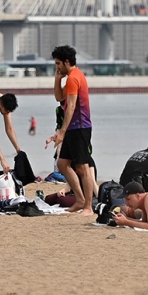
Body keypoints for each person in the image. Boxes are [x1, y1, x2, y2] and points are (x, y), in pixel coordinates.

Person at [49, 45, 95, 214]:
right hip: (72, 128)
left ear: (67, 62)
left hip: (80, 127)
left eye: (58, 63)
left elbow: (72, 106)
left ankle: (88, 206)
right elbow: (59, 98)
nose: (57, 66)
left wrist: (61, 131)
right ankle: (80, 200)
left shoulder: (74, 77)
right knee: (62, 163)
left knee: (83, 168)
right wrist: (57, 78)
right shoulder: (69, 78)